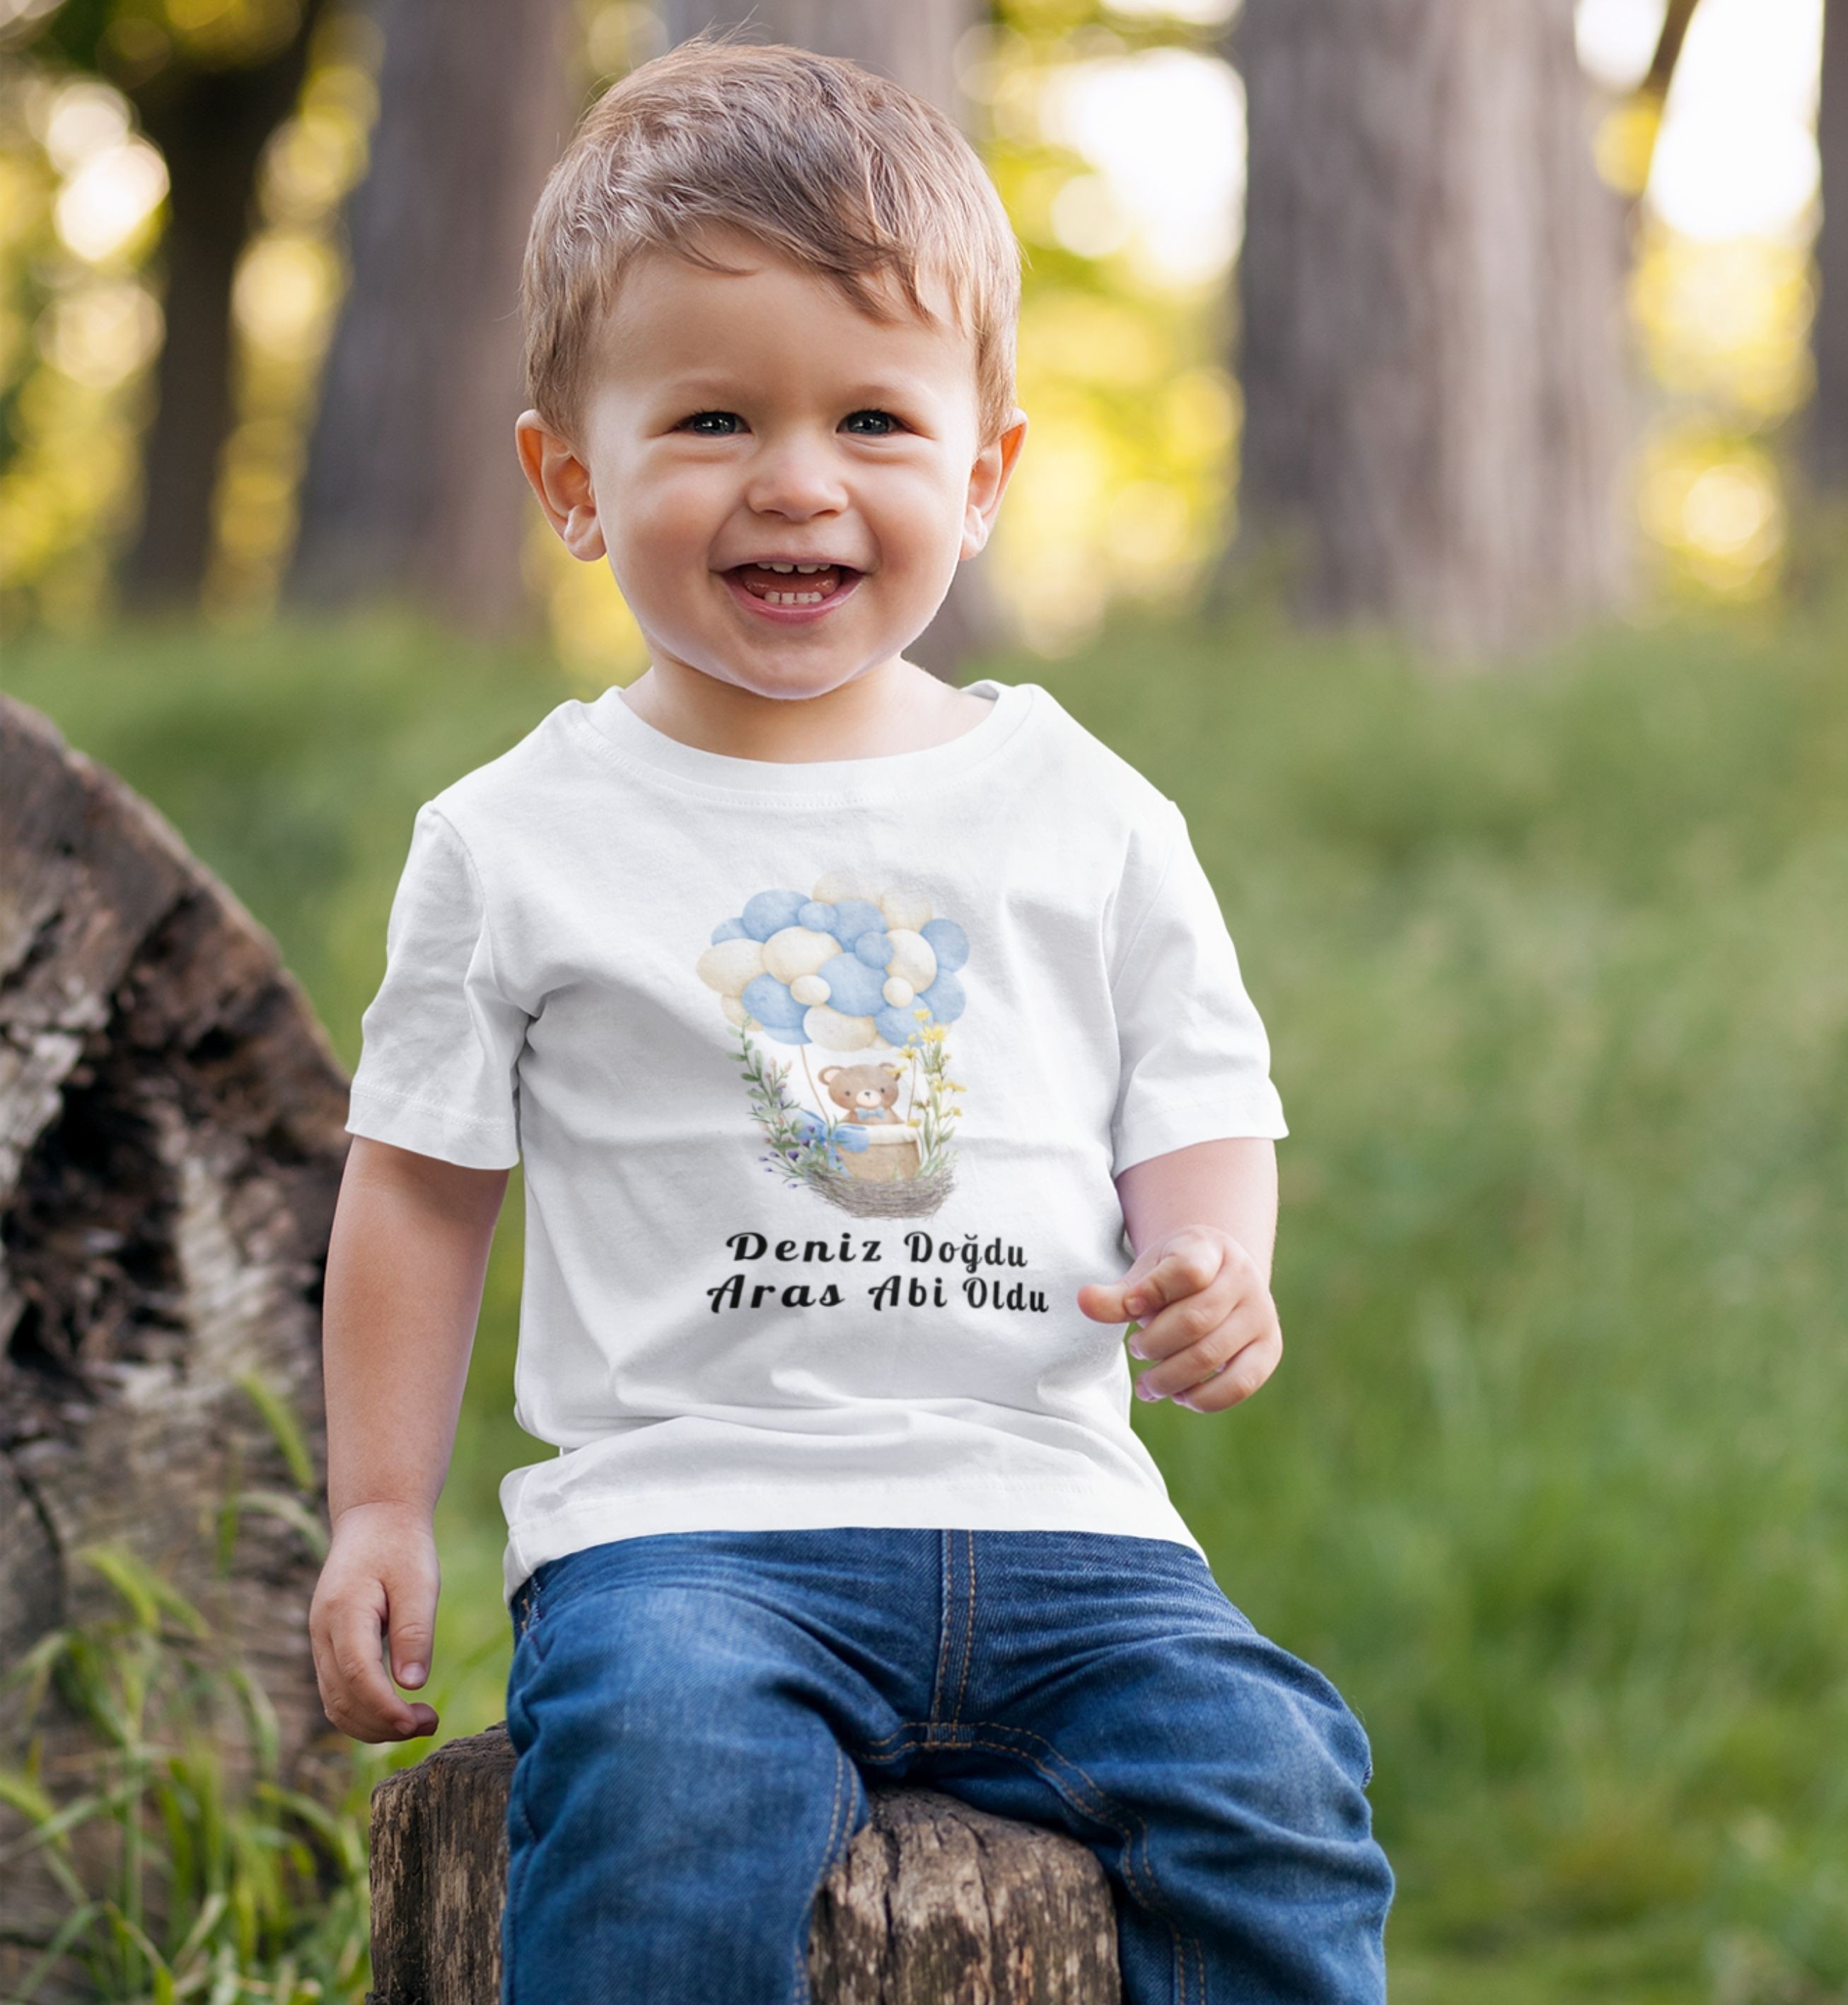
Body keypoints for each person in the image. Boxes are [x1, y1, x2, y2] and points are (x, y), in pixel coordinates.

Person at [309, 33, 1394, 2004]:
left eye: (875, 422)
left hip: (1067, 1526)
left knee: (1278, 1777)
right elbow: (415, 1186)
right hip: (691, 1541)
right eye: (713, 417)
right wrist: (379, 1501)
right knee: (661, 1792)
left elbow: (1197, 1092)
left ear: (980, 475)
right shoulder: (516, 838)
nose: (795, 480)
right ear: (570, 477)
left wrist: (1212, 1259)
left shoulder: (1082, 807)